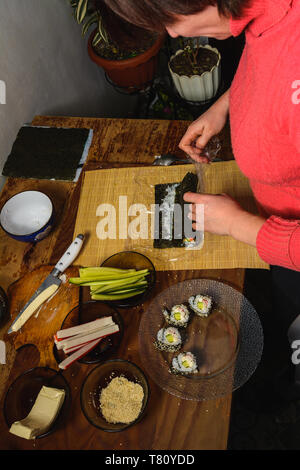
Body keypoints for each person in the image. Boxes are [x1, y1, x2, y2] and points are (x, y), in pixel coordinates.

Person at [101, 0, 300, 405]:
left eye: (175, 19)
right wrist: (227, 105)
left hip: (287, 242)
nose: (172, 34)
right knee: (284, 307)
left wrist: (234, 225)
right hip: (276, 229)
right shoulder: (264, 12)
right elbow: (268, 65)